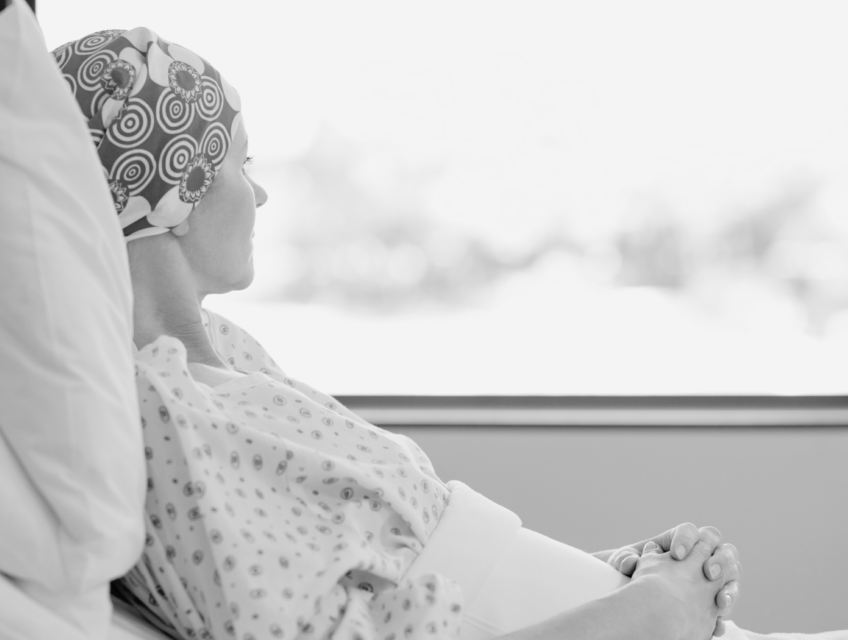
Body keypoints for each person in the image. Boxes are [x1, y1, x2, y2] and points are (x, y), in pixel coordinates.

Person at [52, 28, 751, 640]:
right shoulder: (160, 414)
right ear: (177, 185)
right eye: (241, 163)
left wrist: (607, 577)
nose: (259, 194)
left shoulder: (226, 356)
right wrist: (655, 613)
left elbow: (405, 566)